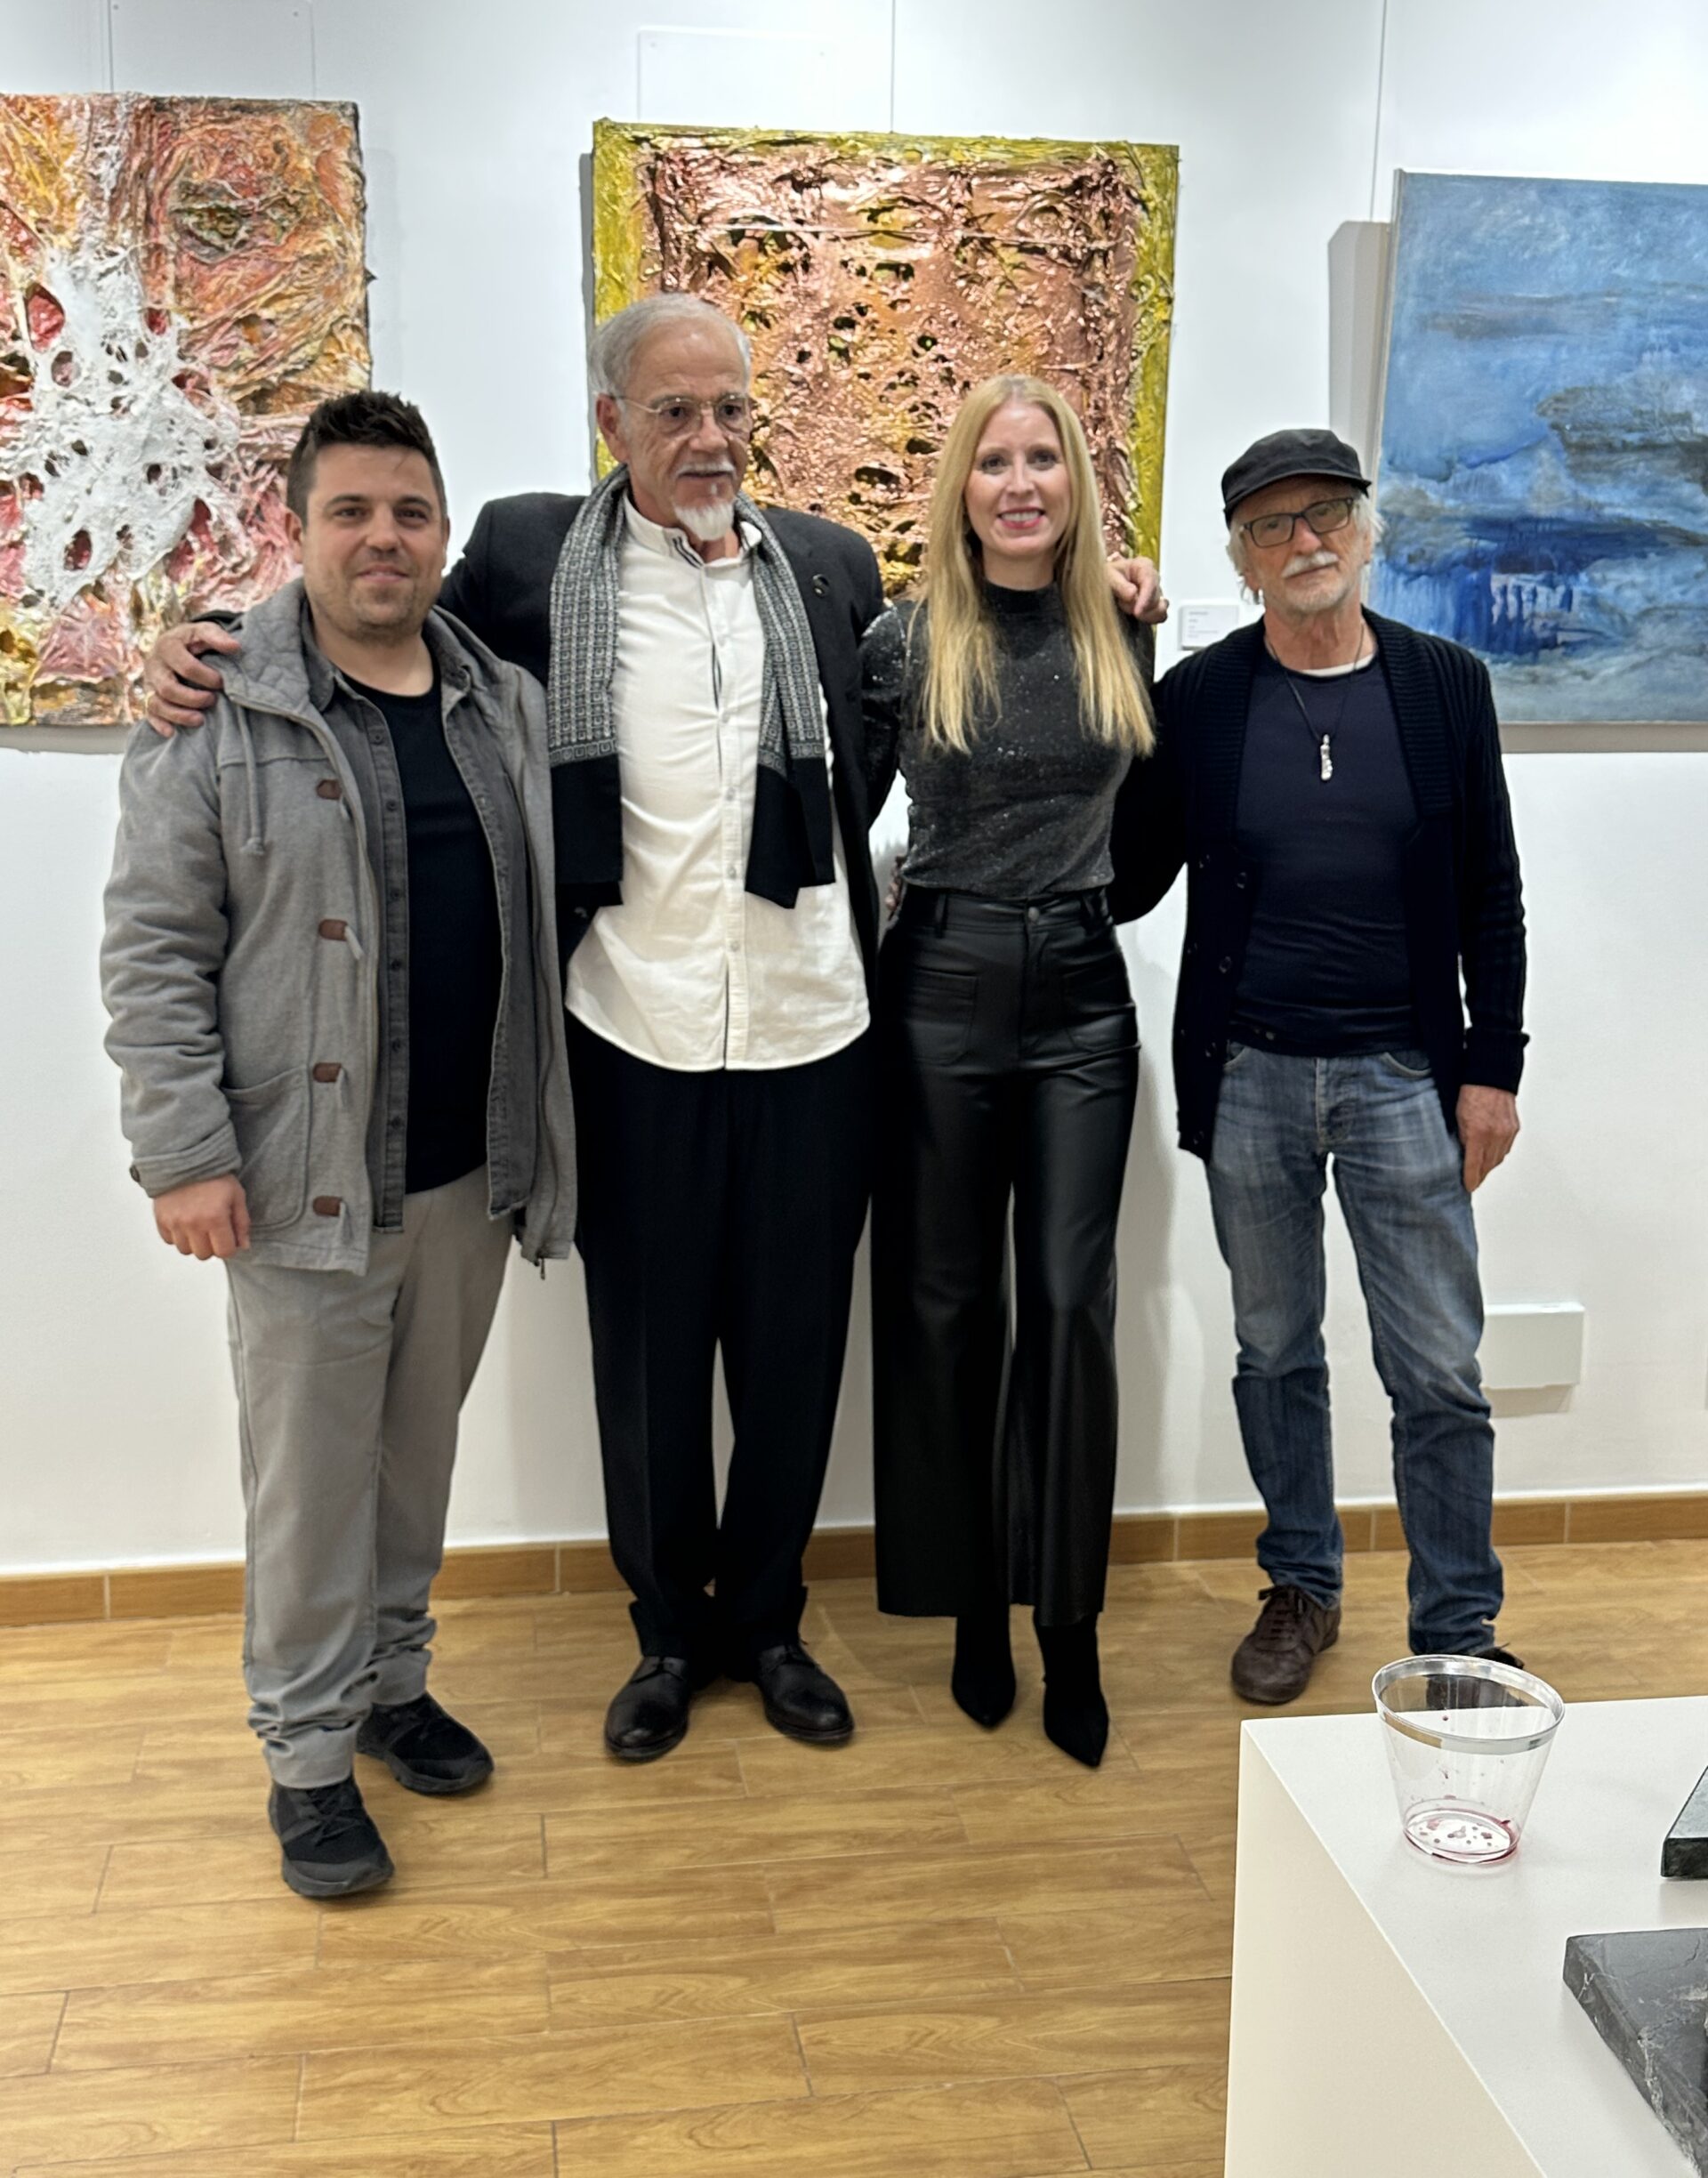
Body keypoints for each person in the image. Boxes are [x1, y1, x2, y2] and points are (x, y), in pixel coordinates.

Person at [142, 295, 1167, 1765]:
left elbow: (958, 672)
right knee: (649, 1363)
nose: (707, 439)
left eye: (731, 410)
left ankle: (771, 1624)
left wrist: (1121, 593)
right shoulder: (528, 554)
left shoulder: (829, 566)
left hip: (817, 1028)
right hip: (630, 1028)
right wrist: (200, 646)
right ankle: (670, 1636)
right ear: (611, 421)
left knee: (796, 1358)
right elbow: (370, 600)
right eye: (674, 411)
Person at [102, 390, 576, 1896]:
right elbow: (154, 949)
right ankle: (306, 1759)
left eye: (410, 512)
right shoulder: (217, 706)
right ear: (295, 529)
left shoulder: (498, 699)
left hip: (468, 1174)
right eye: (352, 511)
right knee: (308, 1486)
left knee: (412, 1463)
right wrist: (183, 1152)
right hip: (300, 1183)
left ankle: (391, 1686)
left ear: (442, 534)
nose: (385, 539)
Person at [1110, 428, 1527, 1705]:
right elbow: (1127, 877)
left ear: (1366, 527)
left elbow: (1491, 895)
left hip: (1407, 1076)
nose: (1306, 543)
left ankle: (1457, 1629)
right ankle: (1302, 1584)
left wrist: (1493, 1069)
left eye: (1327, 515)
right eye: (1272, 527)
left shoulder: (1445, 685)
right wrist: (1118, 661)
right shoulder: (1202, 700)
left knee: (1438, 1369)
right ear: (1242, 560)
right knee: (1275, 1350)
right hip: (1250, 1076)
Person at [861, 375, 1156, 1768]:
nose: (1021, 482)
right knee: (947, 1308)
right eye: (996, 461)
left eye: (1045, 459)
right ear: (962, 490)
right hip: (943, 984)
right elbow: (826, 814)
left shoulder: (1120, 630)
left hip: (1086, 994)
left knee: (1070, 1306)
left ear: (1075, 485)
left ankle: (1070, 1627)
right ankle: (975, 1603)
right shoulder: (905, 640)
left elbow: (1153, 825)